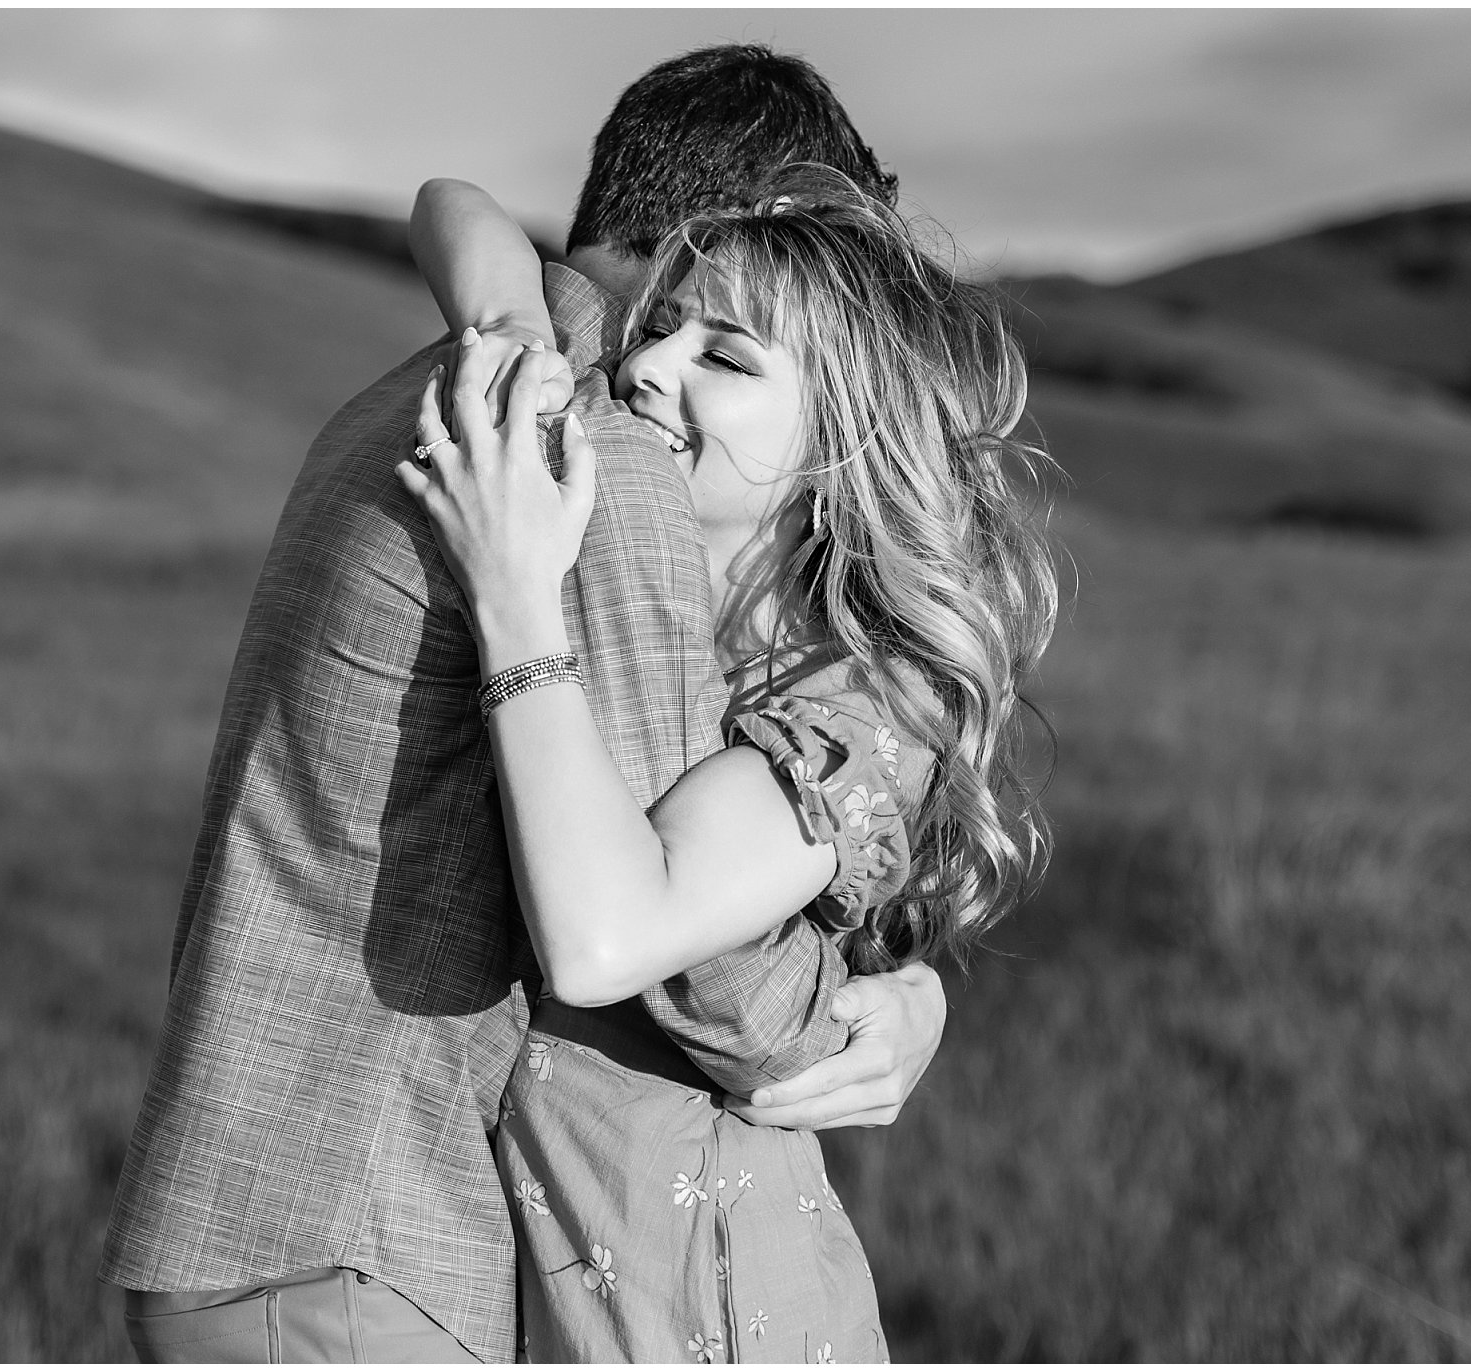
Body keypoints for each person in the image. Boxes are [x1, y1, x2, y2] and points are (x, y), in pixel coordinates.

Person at [101, 46, 950, 1364]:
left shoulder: (422, 388)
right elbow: (691, 959)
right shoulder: (598, 456)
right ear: (736, 239)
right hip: (361, 1243)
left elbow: (453, 201)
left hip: (254, 1208)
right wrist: (885, 1017)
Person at [397, 167, 1059, 1361]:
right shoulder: (645, 620)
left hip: (710, 1315)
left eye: (729, 358)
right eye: (659, 329)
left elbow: (605, 937)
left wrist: (512, 596)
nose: (647, 370)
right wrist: (507, 328)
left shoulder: (862, 713)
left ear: (839, 450)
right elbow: (453, 200)